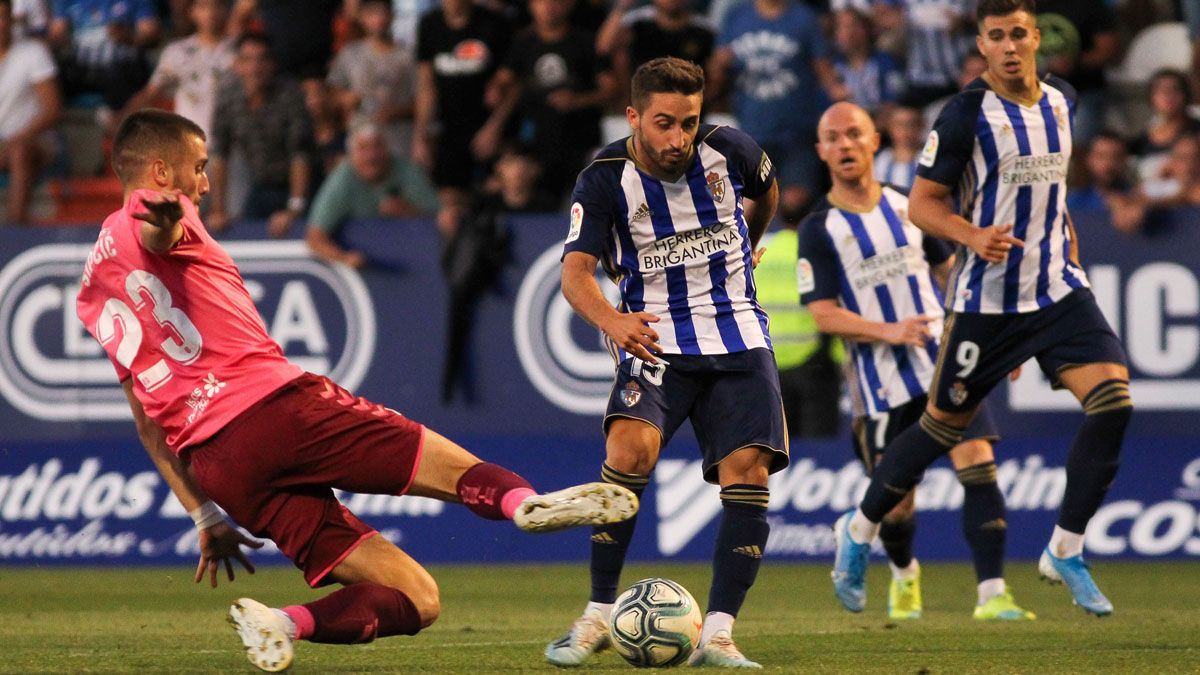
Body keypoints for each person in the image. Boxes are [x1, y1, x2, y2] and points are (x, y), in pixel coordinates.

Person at [74, 109, 638, 674]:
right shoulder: (162, 213)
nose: (205, 182)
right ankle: (522, 504)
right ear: (160, 172)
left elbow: (148, 422)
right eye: (197, 168)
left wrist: (204, 516)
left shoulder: (93, 289)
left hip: (220, 467)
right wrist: (167, 218)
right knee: (455, 472)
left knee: (419, 599)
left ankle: (281, 622)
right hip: (276, 410)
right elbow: (157, 232)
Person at [831, 0, 1132, 619]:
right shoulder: (966, 113)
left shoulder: (1063, 100)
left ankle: (1065, 550)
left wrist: (1067, 252)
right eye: (998, 36)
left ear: (1036, 39)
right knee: (942, 426)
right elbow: (922, 205)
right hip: (987, 303)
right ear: (983, 45)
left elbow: (1054, 199)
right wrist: (972, 237)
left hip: (1057, 291)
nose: (1011, 46)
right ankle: (858, 529)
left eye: (1020, 34)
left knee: (1114, 403)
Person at [546, 57, 785, 669]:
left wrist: (750, 243)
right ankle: (597, 615)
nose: (678, 138)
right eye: (663, 124)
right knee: (629, 453)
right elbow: (575, 274)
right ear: (634, 118)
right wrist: (613, 320)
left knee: (748, 473)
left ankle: (719, 635)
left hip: (736, 334)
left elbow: (767, 188)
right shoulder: (602, 179)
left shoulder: (729, 150)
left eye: (688, 122)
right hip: (655, 339)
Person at [801, 101, 1034, 620]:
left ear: (874, 142)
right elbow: (822, 314)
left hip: (945, 363)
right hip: (879, 382)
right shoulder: (820, 228)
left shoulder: (911, 206)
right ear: (821, 151)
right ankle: (905, 574)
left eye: (854, 134)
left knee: (978, 463)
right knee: (898, 503)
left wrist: (992, 333)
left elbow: (951, 271)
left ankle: (993, 595)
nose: (844, 145)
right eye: (833, 137)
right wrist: (889, 330)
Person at [708, 0, 848, 222]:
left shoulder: (804, 18)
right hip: (752, 133)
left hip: (797, 132)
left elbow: (824, 70)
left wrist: (841, 97)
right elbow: (716, 72)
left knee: (795, 202)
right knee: (751, 207)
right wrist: (719, 64)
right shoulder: (737, 17)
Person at [487, 0, 613, 200]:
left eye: (555, 2)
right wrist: (495, 88)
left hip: (581, 142)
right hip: (537, 146)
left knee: (583, 204)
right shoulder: (524, 43)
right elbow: (504, 78)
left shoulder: (585, 42)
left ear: (568, 5)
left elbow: (610, 90)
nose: (549, 7)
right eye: (542, 2)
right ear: (531, 7)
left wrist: (577, 100)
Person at [207, 33, 315, 235]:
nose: (255, 67)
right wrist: (218, 209)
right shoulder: (228, 97)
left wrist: (294, 209)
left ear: (273, 64)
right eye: (247, 60)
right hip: (260, 186)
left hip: (303, 187)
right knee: (240, 233)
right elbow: (220, 154)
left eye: (263, 59)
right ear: (237, 64)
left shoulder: (290, 95)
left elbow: (300, 154)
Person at [304, 123, 439, 268]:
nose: (372, 156)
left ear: (388, 150)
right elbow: (314, 237)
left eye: (377, 146)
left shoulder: (407, 171)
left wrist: (408, 212)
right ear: (351, 155)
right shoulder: (342, 179)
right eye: (363, 148)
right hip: (369, 269)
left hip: (416, 264)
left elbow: (442, 219)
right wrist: (344, 258)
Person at [116, 0, 234, 141]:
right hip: (190, 145)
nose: (211, 13)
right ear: (192, 12)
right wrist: (122, 119)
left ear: (227, 10)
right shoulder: (178, 52)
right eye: (203, 6)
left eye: (217, 6)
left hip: (231, 146)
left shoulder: (242, 52)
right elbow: (151, 92)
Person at [327, 0, 415, 161]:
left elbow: (422, 100)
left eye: (383, 13)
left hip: (398, 144)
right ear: (362, 18)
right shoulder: (350, 53)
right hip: (360, 142)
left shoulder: (407, 57)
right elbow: (332, 92)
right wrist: (345, 98)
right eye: (372, 13)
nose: (379, 19)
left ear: (392, 16)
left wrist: (397, 112)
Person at [0, 0, 62, 225]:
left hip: (37, 141)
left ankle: (15, 230)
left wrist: (19, 137)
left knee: (18, 151)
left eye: (2, 17)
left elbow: (53, 110)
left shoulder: (33, 52)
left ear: (11, 20)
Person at [873, 104, 924, 190]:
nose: (905, 131)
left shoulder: (929, 160)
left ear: (921, 126)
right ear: (889, 127)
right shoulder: (881, 161)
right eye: (899, 125)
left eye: (911, 124)